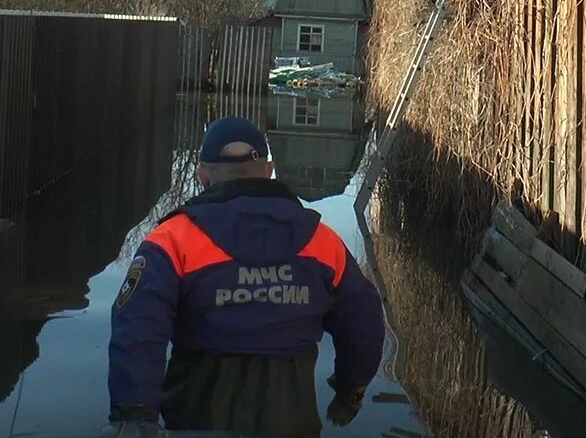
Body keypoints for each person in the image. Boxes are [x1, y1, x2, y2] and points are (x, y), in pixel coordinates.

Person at [108, 117, 386, 438]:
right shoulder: (322, 243)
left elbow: (137, 327)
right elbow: (364, 323)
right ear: (269, 171)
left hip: (196, 416)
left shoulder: (172, 240)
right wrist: (351, 390)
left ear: (202, 176)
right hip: (290, 421)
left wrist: (134, 414)